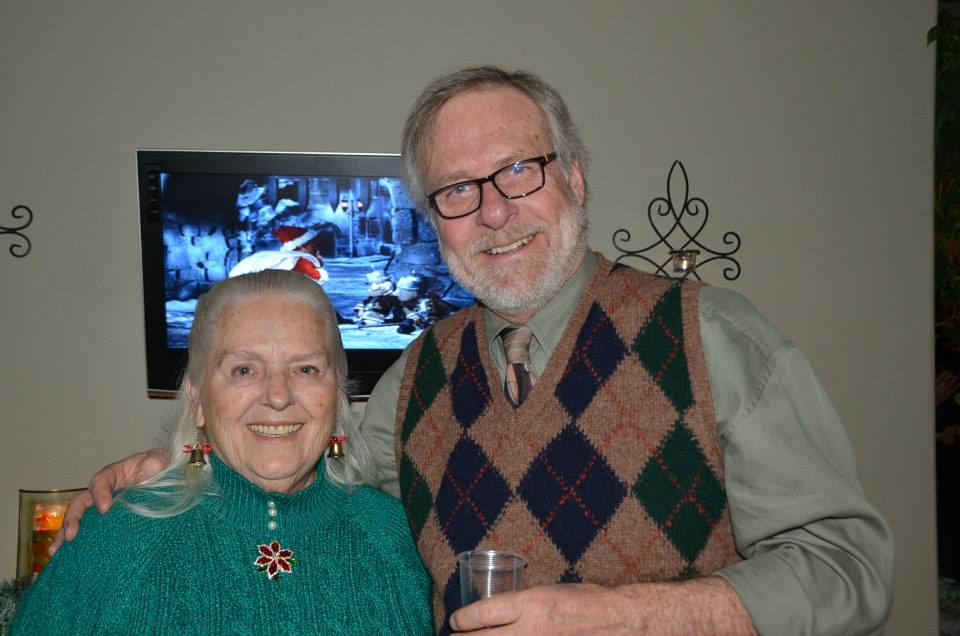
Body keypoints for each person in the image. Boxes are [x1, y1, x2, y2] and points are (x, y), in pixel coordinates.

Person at [56, 67, 893, 636]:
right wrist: (172, 470)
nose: (494, 212)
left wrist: (619, 615)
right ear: (432, 217)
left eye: (519, 171)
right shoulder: (415, 377)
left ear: (574, 175)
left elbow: (851, 570)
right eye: (458, 190)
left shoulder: (712, 337)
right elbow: (313, 480)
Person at [14, 270, 433, 635]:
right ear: (197, 399)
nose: (278, 396)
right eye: (244, 370)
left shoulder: (398, 535)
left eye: (305, 368)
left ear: (338, 394)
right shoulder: (116, 540)